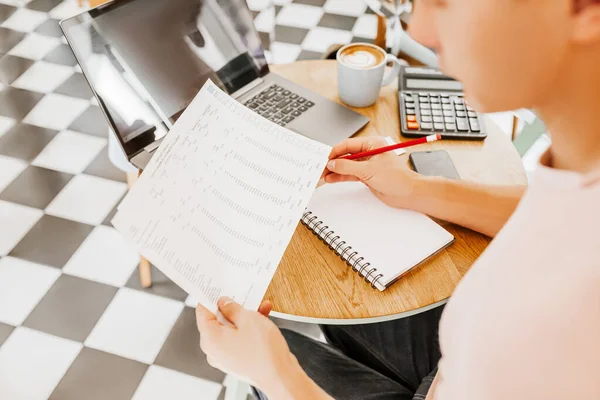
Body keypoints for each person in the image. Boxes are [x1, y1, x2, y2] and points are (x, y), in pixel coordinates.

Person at [195, 0, 600, 398]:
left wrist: (278, 378)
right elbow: (553, 214)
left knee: (270, 347)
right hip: (458, 358)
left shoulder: (570, 331)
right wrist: (414, 189)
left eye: (445, 2)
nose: (417, 30)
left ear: (584, 8)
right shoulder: (578, 174)